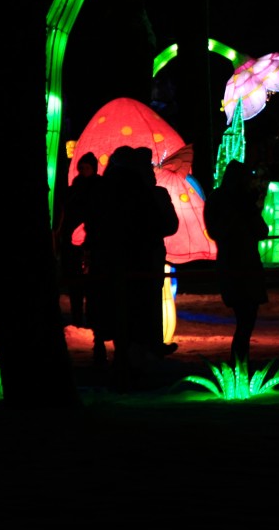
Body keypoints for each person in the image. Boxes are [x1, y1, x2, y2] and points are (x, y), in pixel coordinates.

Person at [82, 145, 178, 385]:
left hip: (110, 263)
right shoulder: (146, 194)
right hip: (142, 263)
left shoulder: (102, 191)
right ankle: (137, 363)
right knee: (140, 313)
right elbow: (166, 224)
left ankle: (121, 358)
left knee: (116, 311)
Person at [203, 160, 270, 364]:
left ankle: (239, 362)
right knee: (246, 320)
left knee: (244, 320)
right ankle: (239, 362)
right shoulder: (241, 203)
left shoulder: (216, 199)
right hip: (245, 264)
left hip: (229, 262)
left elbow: (215, 231)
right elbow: (261, 231)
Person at [54, 152, 100, 327]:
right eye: (81, 168)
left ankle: (92, 319)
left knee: (92, 284)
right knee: (75, 283)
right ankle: (77, 318)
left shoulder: (98, 188)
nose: (83, 171)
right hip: (73, 243)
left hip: (91, 241)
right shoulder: (73, 190)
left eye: (87, 168)